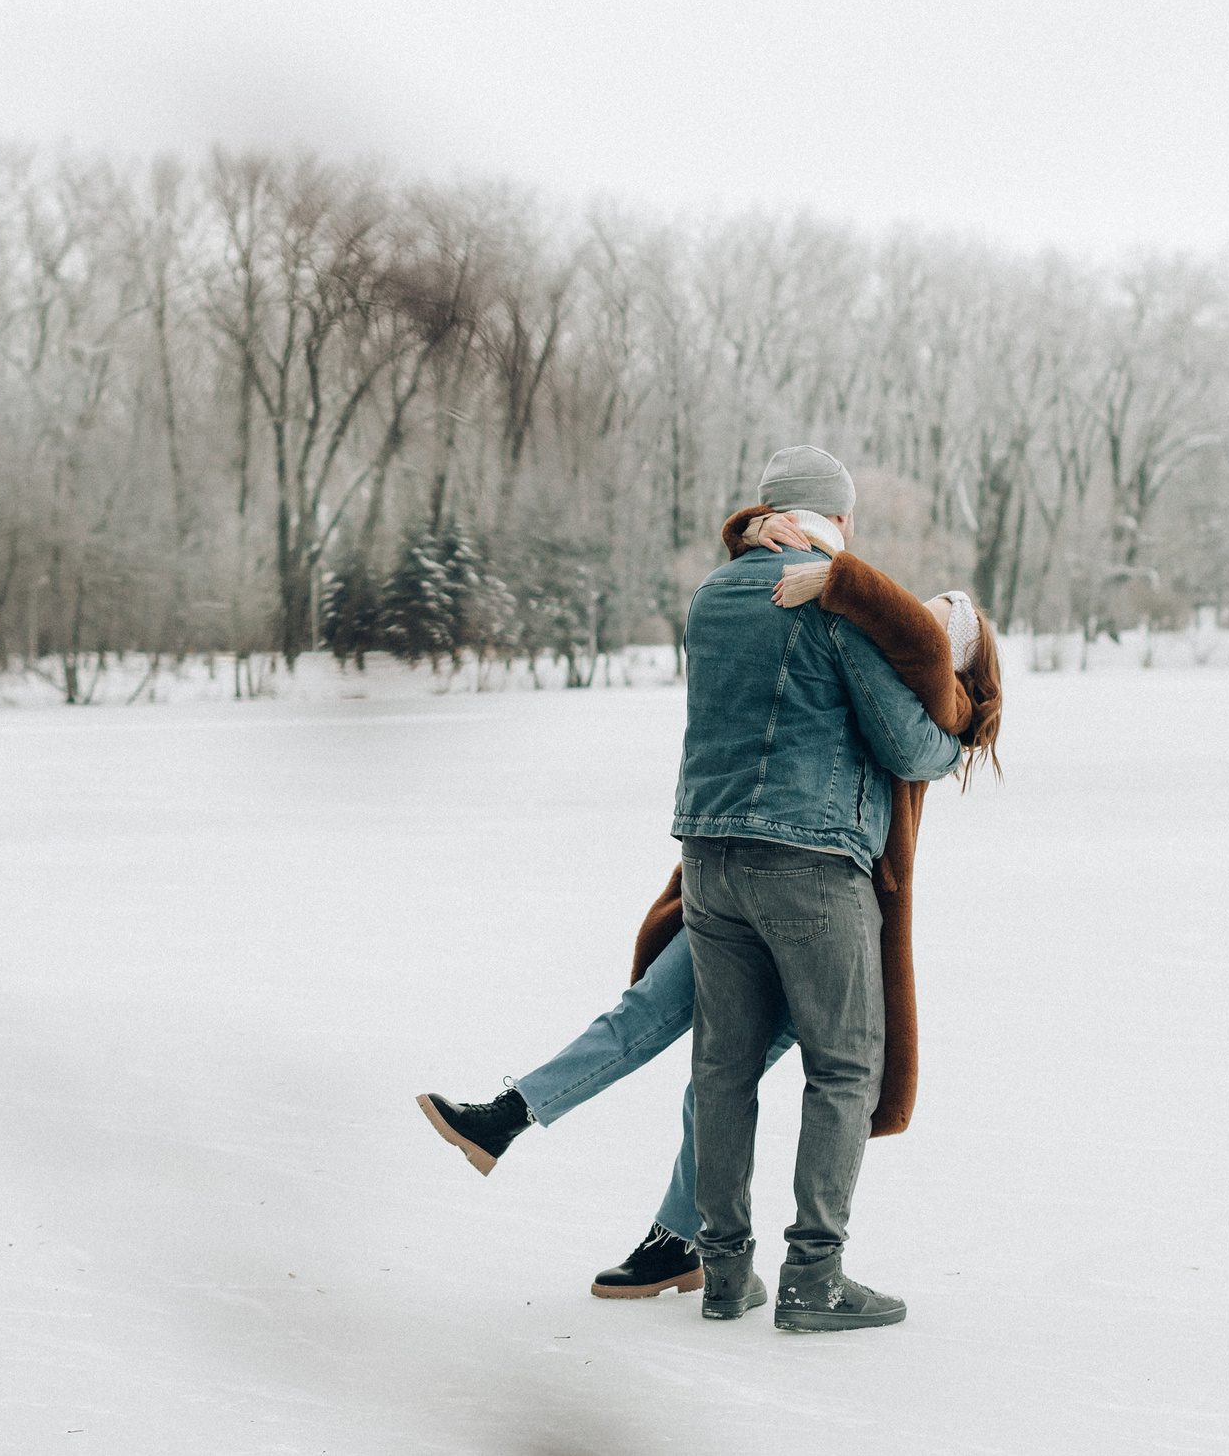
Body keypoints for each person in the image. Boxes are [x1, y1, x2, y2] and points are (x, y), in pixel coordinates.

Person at [418, 448, 1002, 1323]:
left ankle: (707, 1261)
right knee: (839, 1065)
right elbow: (911, 745)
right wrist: (950, 728)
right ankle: (812, 1277)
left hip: (711, 859)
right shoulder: (832, 599)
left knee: (714, 1059)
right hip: (806, 868)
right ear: (834, 521)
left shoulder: (712, 595)